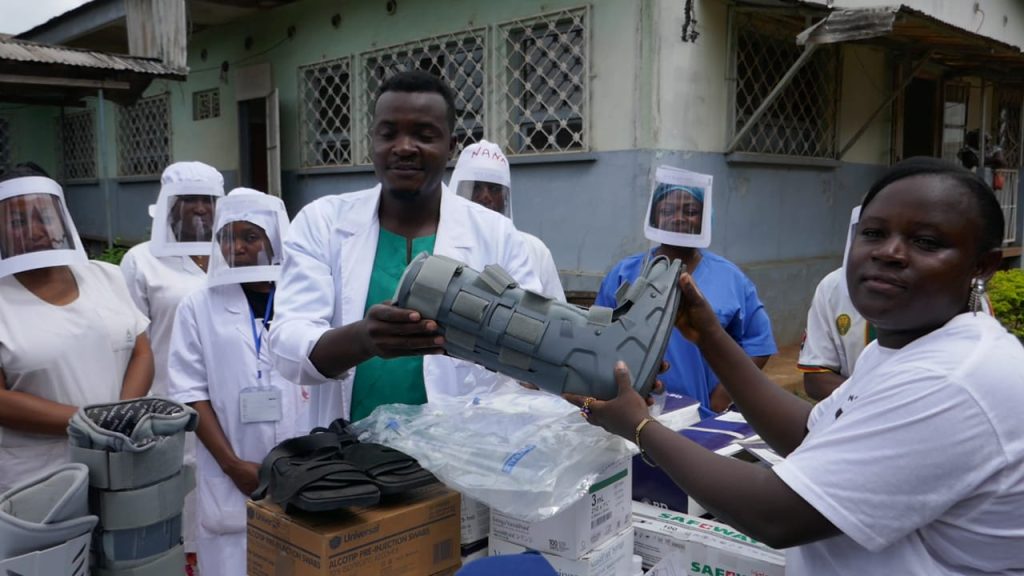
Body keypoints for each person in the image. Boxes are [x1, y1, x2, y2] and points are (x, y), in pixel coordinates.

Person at [571, 157, 1024, 573]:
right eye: (872, 233)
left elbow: (778, 514)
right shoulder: (907, 348)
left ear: (982, 266)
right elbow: (811, 435)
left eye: (925, 241)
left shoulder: (952, 380)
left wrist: (639, 428)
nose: (889, 251)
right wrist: (709, 335)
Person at [271, 70, 541, 426]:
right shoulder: (322, 223)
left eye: (424, 135)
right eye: (389, 134)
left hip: (458, 461)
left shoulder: (498, 234)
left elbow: (532, 344)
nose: (404, 147)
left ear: (451, 145)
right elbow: (288, 346)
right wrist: (363, 339)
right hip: (350, 461)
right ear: (372, 142)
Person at [168, 188, 309, 576]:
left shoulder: (304, 299)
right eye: (228, 237)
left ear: (275, 239)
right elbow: (190, 393)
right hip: (232, 473)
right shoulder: (198, 305)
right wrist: (232, 466)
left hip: (304, 467)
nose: (238, 247)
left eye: (250, 237)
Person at [0, 163, 152, 491]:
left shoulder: (105, 276)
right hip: (37, 479)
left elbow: (141, 352)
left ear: (62, 216)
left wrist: (120, 420)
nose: (35, 228)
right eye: (16, 220)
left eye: (45, 214)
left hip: (120, 463)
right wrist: (91, 423)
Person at [119, 160, 224, 569]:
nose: (200, 209)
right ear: (168, 206)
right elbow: (131, 344)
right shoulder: (141, 261)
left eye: (208, 200)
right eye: (189, 200)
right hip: (165, 412)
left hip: (227, 410)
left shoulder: (236, 253)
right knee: (176, 517)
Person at [596, 179, 776, 418]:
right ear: (654, 217)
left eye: (690, 211)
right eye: (667, 210)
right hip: (634, 410)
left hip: (703, 414)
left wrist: (724, 395)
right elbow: (598, 336)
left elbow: (759, 343)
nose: (678, 218)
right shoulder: (624, 273)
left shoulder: (730, 278)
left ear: (704, 220)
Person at [449, 140, 566, 301]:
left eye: (494, 189)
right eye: (476, 187)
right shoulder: (442, 241)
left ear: (506, 197)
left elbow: (557, 315)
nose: (485, 197)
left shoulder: (535, 250)